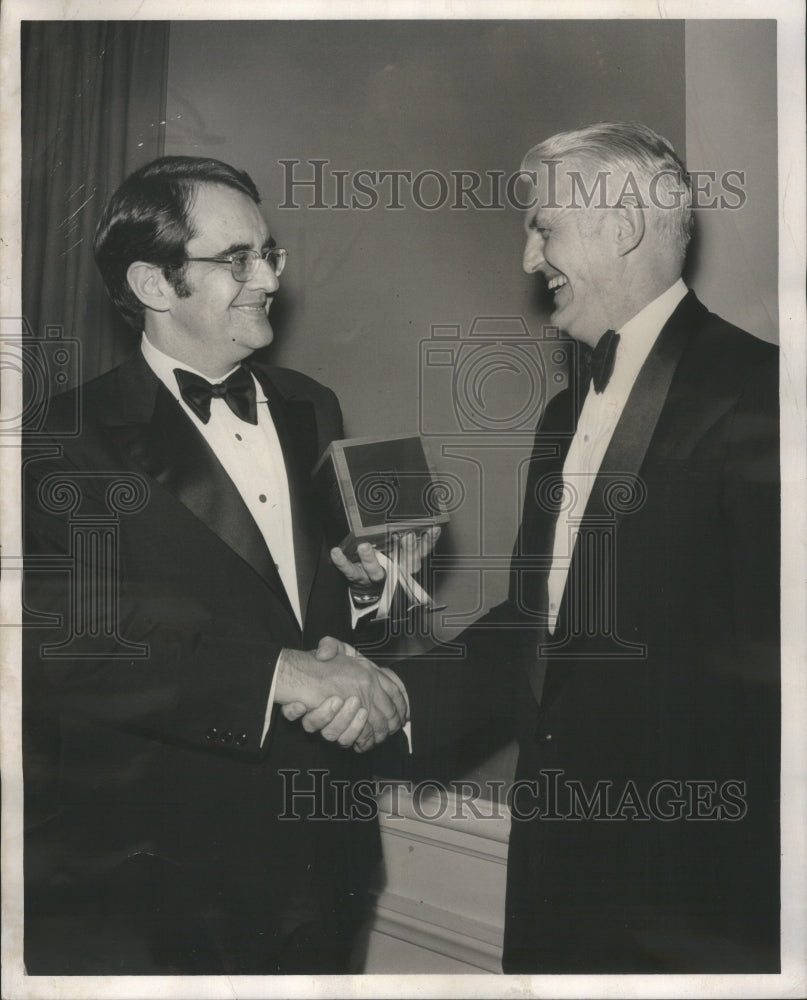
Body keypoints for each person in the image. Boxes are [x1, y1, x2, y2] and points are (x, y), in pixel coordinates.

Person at [299, 122, 780, 973]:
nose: (527, 260)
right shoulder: (562, 418)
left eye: (541, 227)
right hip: (557, 885)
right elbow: (536, 628)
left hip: (708, 902)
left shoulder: (769, 398)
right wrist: (393, 691)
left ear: (621, 226)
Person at [21, 155, 412, 975]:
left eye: (269, 252)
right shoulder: (65, 436)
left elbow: (320, 601)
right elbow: (74, 652)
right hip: (168, 885)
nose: (268, 277)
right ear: (155, 285)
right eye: (236, 259)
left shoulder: (314, 404)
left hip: (331, 853)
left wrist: (380, 582)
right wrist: (282, 677)